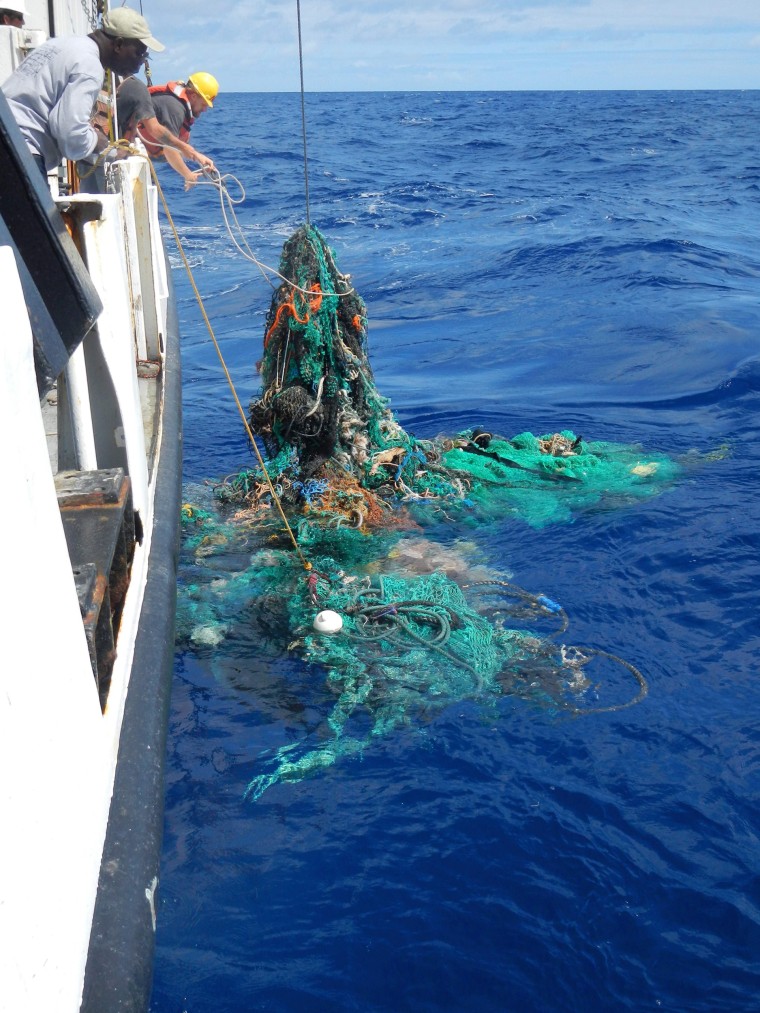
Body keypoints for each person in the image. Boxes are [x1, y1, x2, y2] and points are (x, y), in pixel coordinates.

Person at [1, 6, 162, 176]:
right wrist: (97, 142)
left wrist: (109, 151)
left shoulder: (62, 44)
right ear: (119, 44)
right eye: (139, 53)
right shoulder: (89, 66)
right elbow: (70, 135)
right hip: (19, 150)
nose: (140, 64)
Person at [116, 73, 216, 184]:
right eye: (203, 104)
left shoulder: (178, 105)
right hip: (122, 144)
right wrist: (188, 175)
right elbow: (169, 149)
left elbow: (175, 145)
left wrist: (198, 158)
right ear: (193, 96)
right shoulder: (176, 109)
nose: (205, 109)